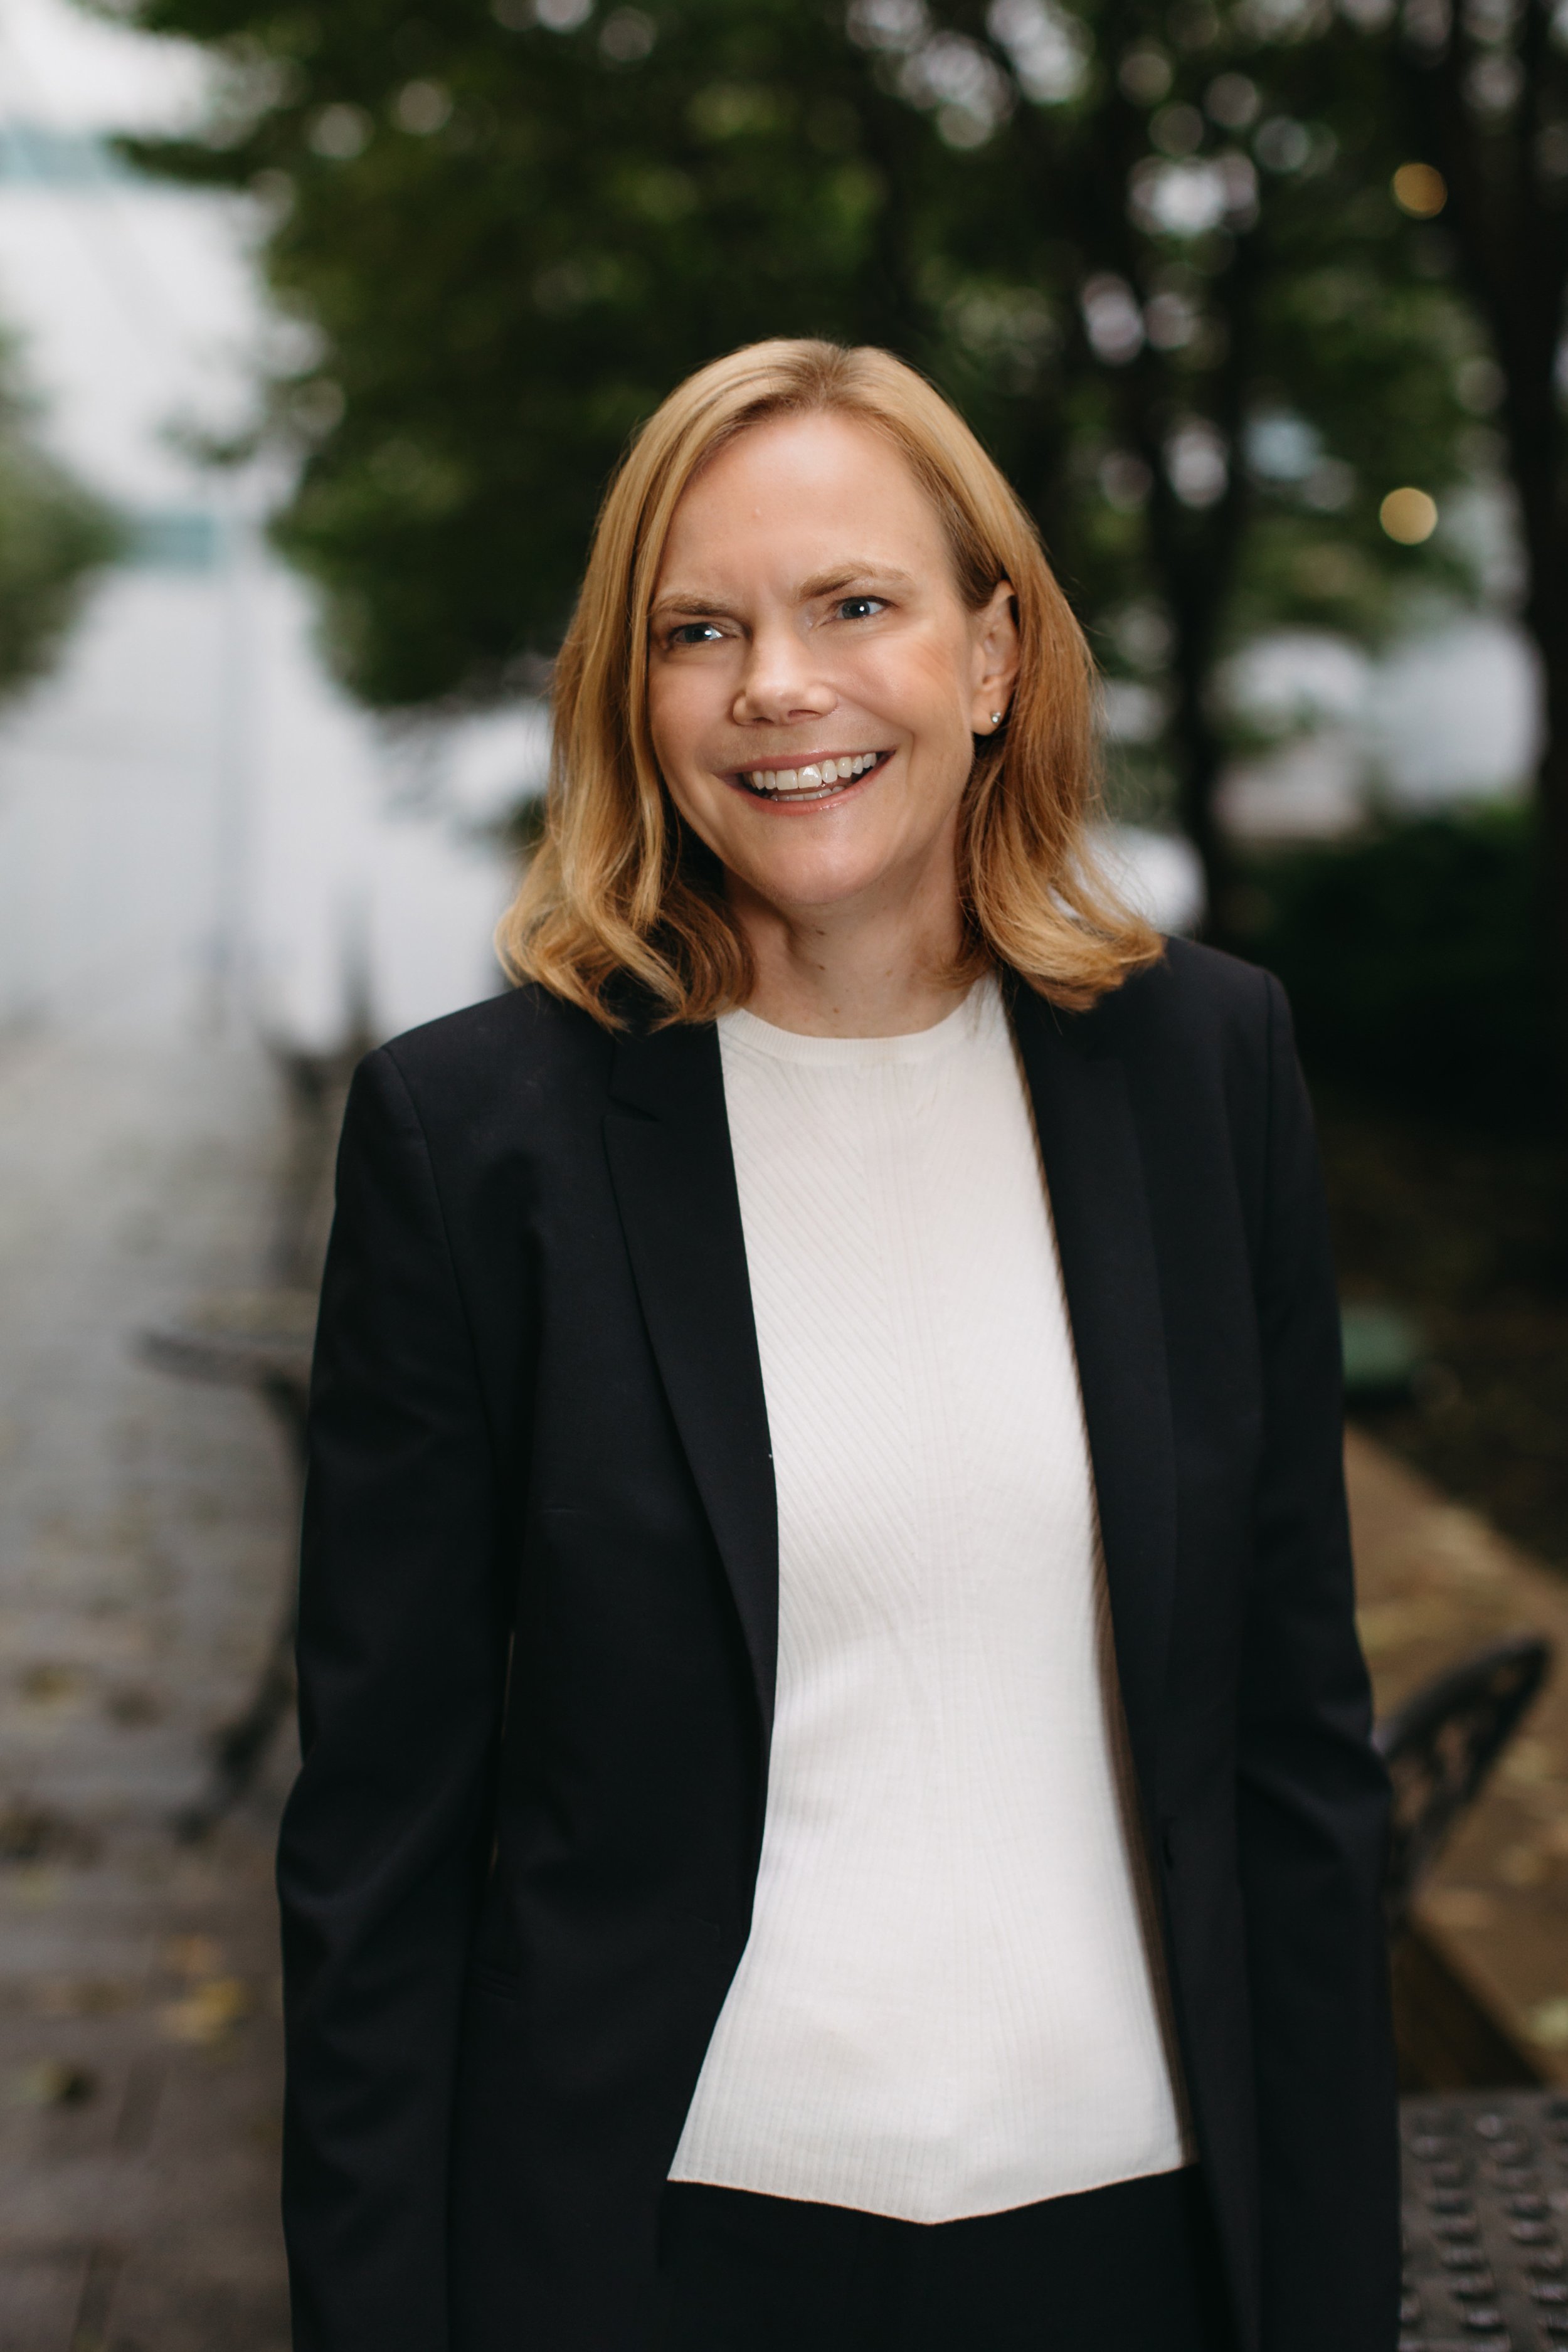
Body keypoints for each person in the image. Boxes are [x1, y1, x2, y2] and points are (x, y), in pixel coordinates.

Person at [277, 339, 1399, 2352]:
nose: (774, 686)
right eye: (696, 628)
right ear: (634, 696)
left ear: (990, 656)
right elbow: (381, 1839)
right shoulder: (477, 1141)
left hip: (1145, 2243)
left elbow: (1295, 1758)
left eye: (853, 606)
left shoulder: (1204, 1071)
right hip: (661, 2253)